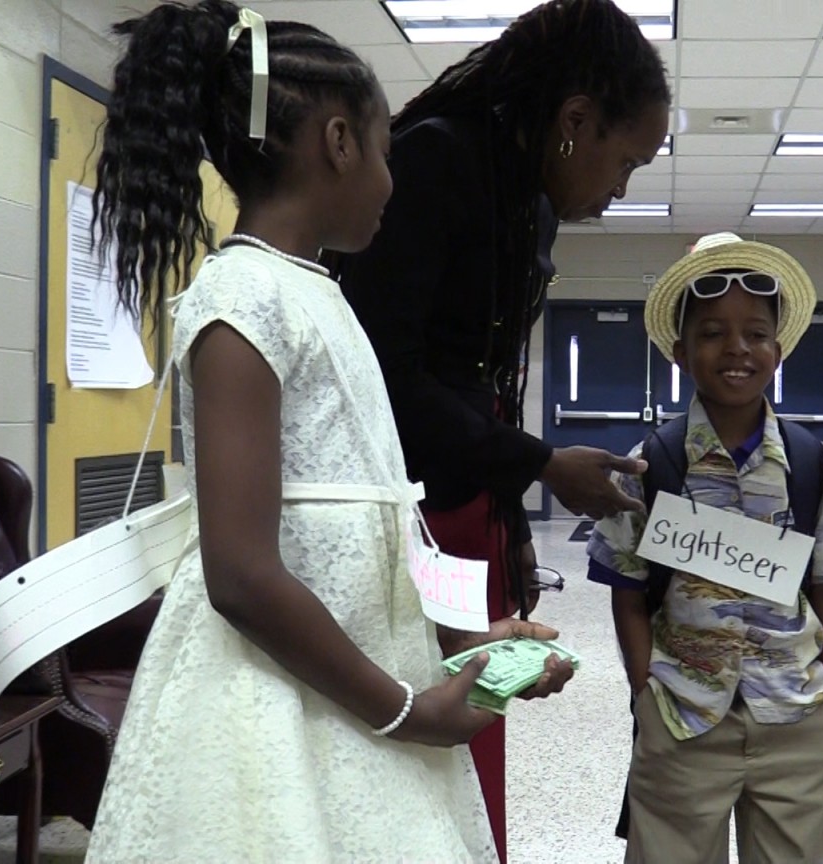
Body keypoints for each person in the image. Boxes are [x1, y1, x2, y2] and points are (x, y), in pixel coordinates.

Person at [83, 3, 567, 860]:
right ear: (338, 142)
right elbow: (239, 573)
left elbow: (379, 509)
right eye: (383, 149)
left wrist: (463, 640)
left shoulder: (319, 293)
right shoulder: (242, 303)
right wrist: (408, 711)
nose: (391, 177)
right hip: (282, 711)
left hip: (365, 687)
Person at [335, 2, 670, 856]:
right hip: (400, 519)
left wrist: (511, 516)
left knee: (475, 756)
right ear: (574, 121)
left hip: (467, 513)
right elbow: (389, 379)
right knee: (419, 747)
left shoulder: (531, 202)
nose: (622, 186)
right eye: (625, 159)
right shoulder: (437, 160)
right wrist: (544, 465)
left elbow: (482, 381)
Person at [587, 233, 823, 864]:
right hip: (683, 717)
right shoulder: (648, 465)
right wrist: (646, 695)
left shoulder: (809, 462)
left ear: (777, 348)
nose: (737, 348)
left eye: (756, 333)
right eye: (712, 332)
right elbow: (628, 593)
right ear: (681, 351)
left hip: (796, 717)